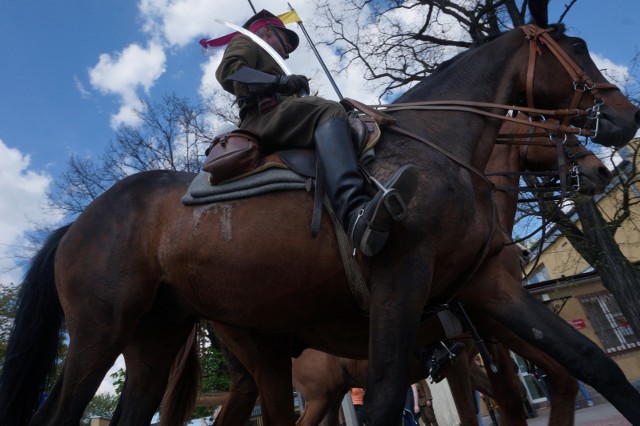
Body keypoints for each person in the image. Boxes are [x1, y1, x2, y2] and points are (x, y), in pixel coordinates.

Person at [210, 9, 418, 257]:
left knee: (350, 117)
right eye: (285, 39)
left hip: (283, 113)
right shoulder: (247, 41)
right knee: (328, 111)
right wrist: (277, 83)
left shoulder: (274, 59)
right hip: (263, 118)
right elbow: (230, 72)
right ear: (266, 31)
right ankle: (355, 215)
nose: (287, 49)